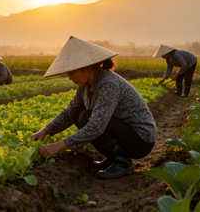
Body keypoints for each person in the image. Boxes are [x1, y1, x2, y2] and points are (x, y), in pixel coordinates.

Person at [30, 36, 157, 179]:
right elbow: (69, 113)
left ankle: (122, 162)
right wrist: (45, 130)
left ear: (87, 67)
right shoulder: (85, 86)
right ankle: (113, 157)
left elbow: (97, 126)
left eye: (72, 72)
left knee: (86, 117)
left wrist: (59, 145)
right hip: (125, 132)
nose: (70, 77)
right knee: (78, 113)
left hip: (140, 139)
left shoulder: (108, 83)